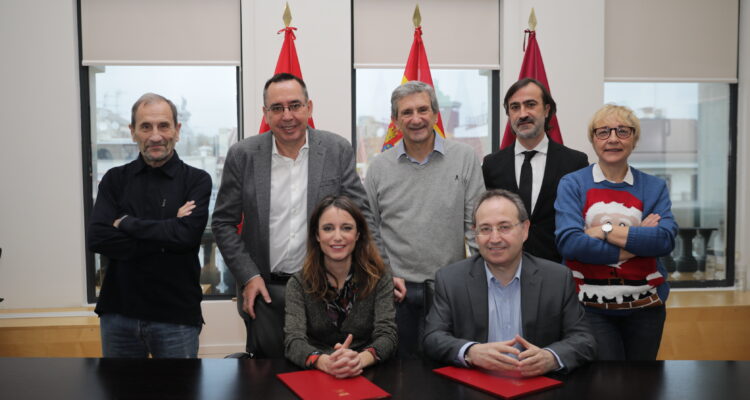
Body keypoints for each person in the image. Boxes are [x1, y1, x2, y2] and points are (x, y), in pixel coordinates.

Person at [212, 73, 379, 358]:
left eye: (295, 105)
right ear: (265, 113)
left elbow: (362, 215)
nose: (287, 115)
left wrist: (384, 271)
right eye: (277, 108)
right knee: (266, 378)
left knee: (323, 376)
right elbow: (223, 222)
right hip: (264, 290)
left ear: (309, 108)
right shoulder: (243, 155)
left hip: (324, 291)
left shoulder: (336, 150)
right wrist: (248, 276)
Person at [364, 80, 485, 359]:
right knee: (399, 371)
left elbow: (476, 225)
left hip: (449, 289)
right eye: (406, 112)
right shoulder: (379, 167)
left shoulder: (464, 157)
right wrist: (384, 274)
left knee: (447, 368)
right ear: (395, 120)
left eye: (422, 110)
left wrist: (476, 281)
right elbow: (369, 230)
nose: (415, 119)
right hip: (395, 292)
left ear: (435, 114)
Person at [88, 93, 212, 358]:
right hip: (118, 314)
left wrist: (126, 223)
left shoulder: (197, 180)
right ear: (133, 132)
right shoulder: (114, 179)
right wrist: (168, 231)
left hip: (176, 317)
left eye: (163, 126)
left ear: (177, 130)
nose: (156, 136)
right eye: (146, 127)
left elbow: (186, 238)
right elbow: (98, 238)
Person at [423, 189, 595, 375]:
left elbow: (583, 339)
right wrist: (470, 352)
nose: (495, 239)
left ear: (525, 229)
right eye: (485, 229)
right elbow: (432, 338)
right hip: (475, 385)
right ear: (475, 234)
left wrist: (551, 357)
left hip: (537, 385)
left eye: (504, 227)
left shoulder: (557, 278)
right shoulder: (451, 279)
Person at [555, 104, 678, 360]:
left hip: (647, 308)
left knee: (642, 385)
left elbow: (664, 240)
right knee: (607, 385)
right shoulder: (573, 184)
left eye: (623, 131)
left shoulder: (654, 186)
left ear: (634, 139)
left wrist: (603, 230)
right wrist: (637, 240)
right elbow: (570, 244)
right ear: (593, 139)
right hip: (590, 309)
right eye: (603, 132)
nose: (613, 139)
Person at [284, 196, 397, 377]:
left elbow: (387, 335)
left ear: (358, 234)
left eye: (346, 228)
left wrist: (359, 360)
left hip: (366, 371)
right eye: (328, 228)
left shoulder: (380, 278)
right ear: (317, 235)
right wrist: (325, 362)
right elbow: (293, 341)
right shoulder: (298, 284)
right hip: (316, 374)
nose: (337, 237)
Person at [483, 78, 589, 263]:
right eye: (515, 107)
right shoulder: (492, 165)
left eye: (530, 105)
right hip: (505, 267)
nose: (522, 114)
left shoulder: (575, 163)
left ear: (547, 110)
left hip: (559, 269)